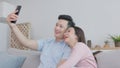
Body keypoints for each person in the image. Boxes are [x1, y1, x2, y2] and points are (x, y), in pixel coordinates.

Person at [7, 11, 75, 68]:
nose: (57, 28)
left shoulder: (68, 48)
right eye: (56, 25)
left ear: (68, 30)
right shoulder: (47, 42)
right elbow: (26, 42)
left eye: (61, 26)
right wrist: (13, 26)